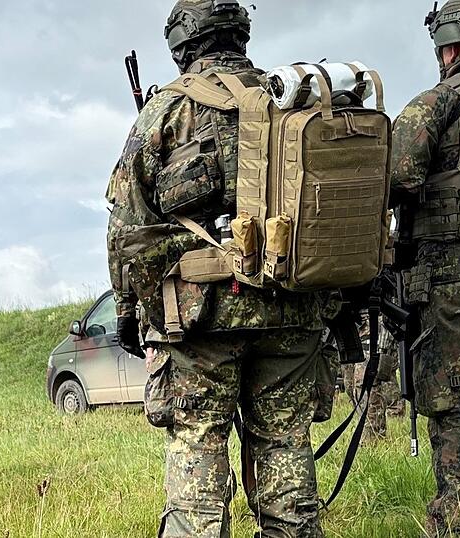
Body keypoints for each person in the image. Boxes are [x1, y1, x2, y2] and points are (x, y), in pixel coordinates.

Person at [106, 1, 324, 535]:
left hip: (200, 318)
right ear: (240, 37)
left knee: (198, 460)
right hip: (291, 308)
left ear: (182, 45)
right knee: (286, 452)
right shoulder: (289, 100)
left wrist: (131, 310)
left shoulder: (167, 111)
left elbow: (126, 229)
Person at [391, 1, 460, 532]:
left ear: (448, 47)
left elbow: (395, 176)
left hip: (452, 280)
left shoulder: (438, 102)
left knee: (457, 406)